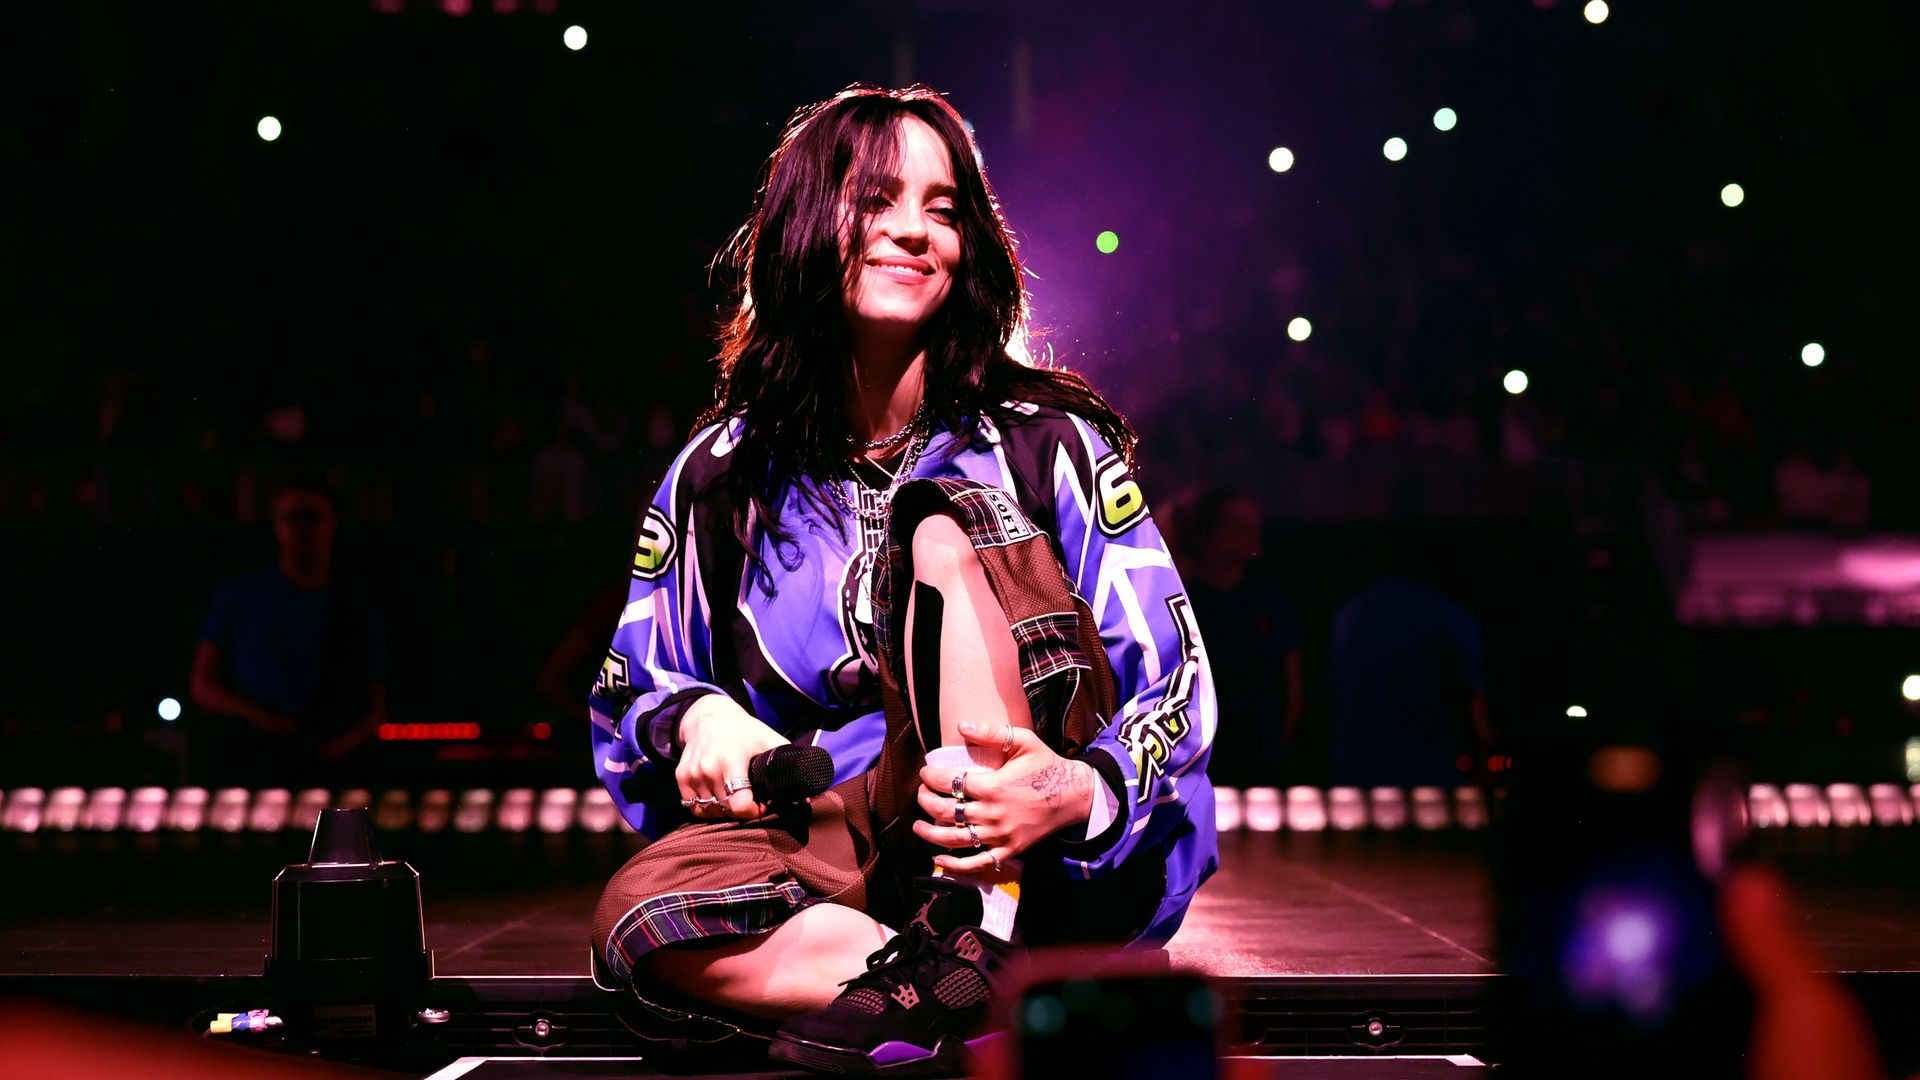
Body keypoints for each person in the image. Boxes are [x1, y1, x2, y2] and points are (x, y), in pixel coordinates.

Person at [586, 85, 1217, 1074]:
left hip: (1048, 848)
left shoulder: (1050, 444)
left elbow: (1178, 682)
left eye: (944, 208)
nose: (916, 233)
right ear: (804, 224)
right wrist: (697, 721)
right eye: (877, 198)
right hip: (854, 859)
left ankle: (981, 928)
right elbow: (632, 689)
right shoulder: (718, 472)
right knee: (637, 915)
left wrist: (1077, 786)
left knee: (943, 523)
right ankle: (943, 983)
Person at [188, 474, 389, 784]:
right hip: (250, 762)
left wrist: (338, 747)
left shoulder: (358, 609)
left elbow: (376, 707)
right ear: (276, 527)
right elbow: (202, 684)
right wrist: (263, 720)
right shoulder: (240, 595)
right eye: (289, 518)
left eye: (309, 517)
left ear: (332, 524)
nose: (299, 528)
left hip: (329, 767)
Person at [1169, 485, 1302, 786]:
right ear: (1210, 532)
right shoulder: (1185, 603)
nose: (1251, 534)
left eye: (1254, 525)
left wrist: (1277, 748)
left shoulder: (1270, 601)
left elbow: (1293, 692)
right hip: (1200, 766)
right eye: (1238, 525)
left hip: (1262, 763)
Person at [1328, 560, 1490, 788]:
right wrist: (1483, 762)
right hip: (1428, 775)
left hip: (1358, 775)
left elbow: (1336, 696)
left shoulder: (1351, 614)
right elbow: (1475, 700)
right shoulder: (1449, 615)